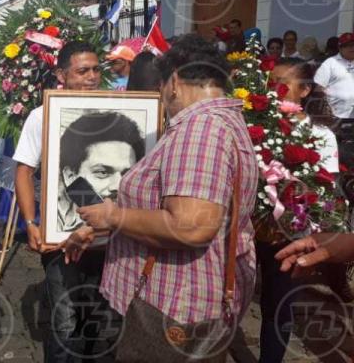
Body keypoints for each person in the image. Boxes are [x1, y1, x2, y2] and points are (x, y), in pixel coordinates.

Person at [78, 34, 259, 358]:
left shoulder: (200, 129)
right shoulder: (225, 120)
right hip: (190, 300)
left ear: (173, 81)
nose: (163, 99)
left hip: (172, 306)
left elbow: (191, 225)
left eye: (162, 89)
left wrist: (114, 216)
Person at [14, 41, 120, 362]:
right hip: (61, 238)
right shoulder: (41, 116)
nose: (91, 77)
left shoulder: (119, 109)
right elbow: (23, 172)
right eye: (82, 71)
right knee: (65, 321)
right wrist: (31, 222)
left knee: (99, 319)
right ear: (62, 74)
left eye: (96, 70)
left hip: (108, 239)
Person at [255, 57, 340, 362]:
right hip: (250, 230)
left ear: (304, 91)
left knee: (278, 306)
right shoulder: (255, 126)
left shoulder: (321, 136)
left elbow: (325, 189)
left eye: (282, 83)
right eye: (270, 81)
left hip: (291, 233)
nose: (274, 89)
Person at [57, 112, 144, 233]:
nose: (117, 186)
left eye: (127, 174)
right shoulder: (54, 224)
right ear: (70, 176)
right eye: (102, 173)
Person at [314, 32, 354, 119]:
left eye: (353, 45)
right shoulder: (330, 63)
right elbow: (319, 88)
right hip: (335, 116)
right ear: (340, 48)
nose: (351, 48)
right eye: (347, 45)